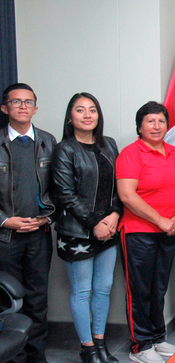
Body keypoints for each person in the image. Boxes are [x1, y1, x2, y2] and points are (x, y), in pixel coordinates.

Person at [116, 101, 175, 363]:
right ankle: (141, 346)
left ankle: (158, 338)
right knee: (140, 291)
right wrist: (160, 220)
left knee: (158, 289)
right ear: (140, 126)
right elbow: (126, 195)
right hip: (139, 232)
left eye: (161, 121)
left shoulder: (174, 152)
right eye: (150, 121)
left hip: (169, 231)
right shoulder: (131, 154)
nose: (156, 126)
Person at [52, 93, 121, 363]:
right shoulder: (64, 149)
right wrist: (95, 223)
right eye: (80, 110)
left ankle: (101, 343)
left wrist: (114, 215)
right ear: (70, 118)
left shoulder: (109, 145)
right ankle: (88, 348)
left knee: (104, 288)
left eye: (92, 109)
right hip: (77, 231)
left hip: (109, 229)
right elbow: (65, 194)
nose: (87, 115)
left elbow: (120, 184)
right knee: (82, 290)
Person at [0, 83, 56, 363]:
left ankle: (36, 355)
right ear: (4, 108)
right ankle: (14, 356)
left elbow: (60, 188)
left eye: (28, 102)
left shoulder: (48, 141)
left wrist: (48, 217)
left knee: (37, 297)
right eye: (16, 102)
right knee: (9, 299)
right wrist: (5, 221)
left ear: (35, 108)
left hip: (39, 233)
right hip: (6, 237)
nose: (23, 106)